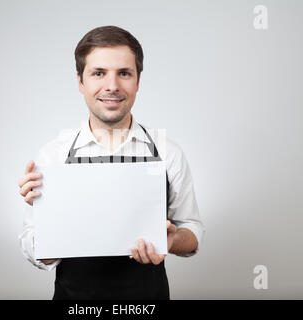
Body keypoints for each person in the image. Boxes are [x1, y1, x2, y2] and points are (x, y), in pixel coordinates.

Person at [17, 25, 205, 300]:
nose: (112, 86)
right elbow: (34, 250)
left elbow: (193, 229)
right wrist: (50, 227)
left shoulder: (169, 152)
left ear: (138, 81)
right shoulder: (53, 156)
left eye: (124, 73)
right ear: (80, 82)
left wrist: (174, 240)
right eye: (98, 73)